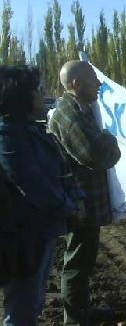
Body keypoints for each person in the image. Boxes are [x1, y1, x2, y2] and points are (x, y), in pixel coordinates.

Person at [0, 66, 84, 325]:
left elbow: (62, 171)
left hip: (41, 231)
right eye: (36, 89)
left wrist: (76, 197)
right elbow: (35, 185)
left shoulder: (32, 131)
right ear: (21, 97)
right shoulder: (8, 138)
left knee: (33, 300)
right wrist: (69, 208)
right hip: (23, 236)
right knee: (23, 305)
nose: (41, 93)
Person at [48, 60, 121, 325]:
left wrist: (105, 140)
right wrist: (111, 140)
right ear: (76, 84)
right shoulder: (68, 115)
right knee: (78, 260)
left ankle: (81, 309)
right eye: (93, 79)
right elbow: (95, 154)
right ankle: (75, 319)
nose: (99, 84)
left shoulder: (83, 110)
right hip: (80, 204)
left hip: (87, 201)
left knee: (85, 258)